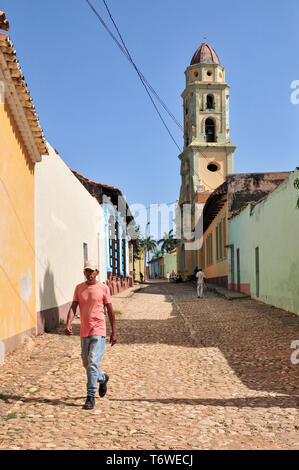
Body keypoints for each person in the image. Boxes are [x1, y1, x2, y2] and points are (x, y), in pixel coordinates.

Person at [65, 260, 117, 410]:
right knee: (86, 364)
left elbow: (111, 312)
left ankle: (90, 396)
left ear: (97, 272)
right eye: (86, 271)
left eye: (91, 271)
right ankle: (103, 378)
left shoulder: (103, 288)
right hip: (84, 331)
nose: (89, 273)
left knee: (93, 362)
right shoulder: (79, 288)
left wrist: (114, 331)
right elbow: (73, 307)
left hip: (99, 330)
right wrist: (68, 324)